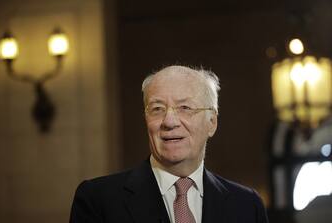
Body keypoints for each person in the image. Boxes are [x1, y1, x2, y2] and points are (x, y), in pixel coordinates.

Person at [69, 65, 269, 223]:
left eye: (185, 108)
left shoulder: (246, 205)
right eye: (157, 109)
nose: (169, 121)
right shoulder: (98, 200)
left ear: (212, 123)